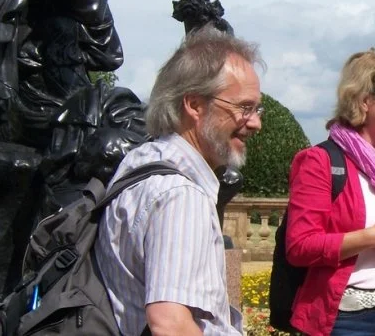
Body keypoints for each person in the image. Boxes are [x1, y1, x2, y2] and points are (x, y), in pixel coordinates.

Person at [94, 27, 263, 335]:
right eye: (244, 108)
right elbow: (170, 324)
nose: (256, 122)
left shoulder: (139, 163)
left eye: (256, 108)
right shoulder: (180, 194)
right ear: (195, 105)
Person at [284, 48, 375, 336]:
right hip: (345, 321)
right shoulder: (320, 161)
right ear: (365, 99)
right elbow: (300, 247)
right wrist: (371, 238)